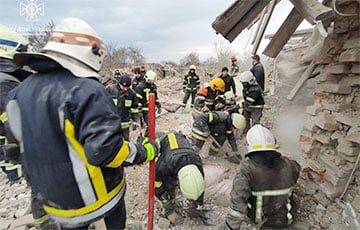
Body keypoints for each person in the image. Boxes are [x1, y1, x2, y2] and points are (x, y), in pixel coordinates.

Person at [6, 17, 160, 230]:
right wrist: (143, 151)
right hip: (96, 197)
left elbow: (15, 148)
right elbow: (106, 152)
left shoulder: (17, 94)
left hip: (53, 201)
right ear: (92, 54)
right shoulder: (87, 91)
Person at [0, 23, 62, 229]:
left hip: (24, 151)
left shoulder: (11, 81)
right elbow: (19, 126)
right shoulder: (5, 84)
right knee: (43, 189)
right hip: (33, 152)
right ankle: (49, 224)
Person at [218, 124, 301, 229]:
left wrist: (230, 226)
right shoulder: (290, 164)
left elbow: (238, 202)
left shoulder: (246, 169)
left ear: (249, 146)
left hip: (260, 221)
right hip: (286, 218)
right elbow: (296, 175)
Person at [154, 131, 214, 226]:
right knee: (168, 186)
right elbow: (157, 187)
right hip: (164, 141)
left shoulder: (197, 161)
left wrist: (198, 205)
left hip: (180, 139)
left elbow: (199, 186)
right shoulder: (163, 166)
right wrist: (167, 204)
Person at [116, 74, 140, 140]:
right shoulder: (110, 90)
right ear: (119, 84)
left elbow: (135, 108)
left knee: (125, 143)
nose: (125, 89)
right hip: (111, 124)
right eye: (123, 87)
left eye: (127, 87)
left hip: (124, 125)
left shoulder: (131, 94)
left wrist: (135, 120)